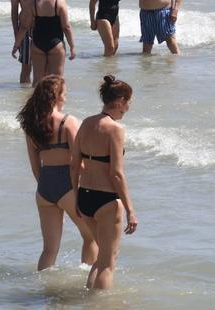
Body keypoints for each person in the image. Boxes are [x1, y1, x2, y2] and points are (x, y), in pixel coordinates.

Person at [18, 77, 98, 271]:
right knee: (91, 238)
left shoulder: (31, 125)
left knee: (49, 250)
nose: (66, 99)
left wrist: (47, 187)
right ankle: (88, 280)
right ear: (56, 97)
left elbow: (35, 167)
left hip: (44, 188)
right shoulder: (67, 122)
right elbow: (80, 163)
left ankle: (43, 287)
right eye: (64, 94)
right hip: (68, 186)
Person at [70, 75, 137, 290]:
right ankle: (99, 304)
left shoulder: (86, 123)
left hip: (85, 197)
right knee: (108, 264)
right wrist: (130, 210)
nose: (128, 108)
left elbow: (74, 165)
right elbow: (116, 173)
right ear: (120, 101)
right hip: (106, 200)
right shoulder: (115, 129)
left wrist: (76, 198)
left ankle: (89, 299)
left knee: (100, 259)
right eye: (129, 102)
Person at [13, 0, 76, 82]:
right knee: (57, 81)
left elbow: (24, 27)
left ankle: (36, 94)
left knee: (37, 81)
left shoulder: (33, 2)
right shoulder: (59, 2)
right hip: (56, 44)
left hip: (37, 44)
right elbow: (66, 27)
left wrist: (16, 45)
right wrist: (72, 46)